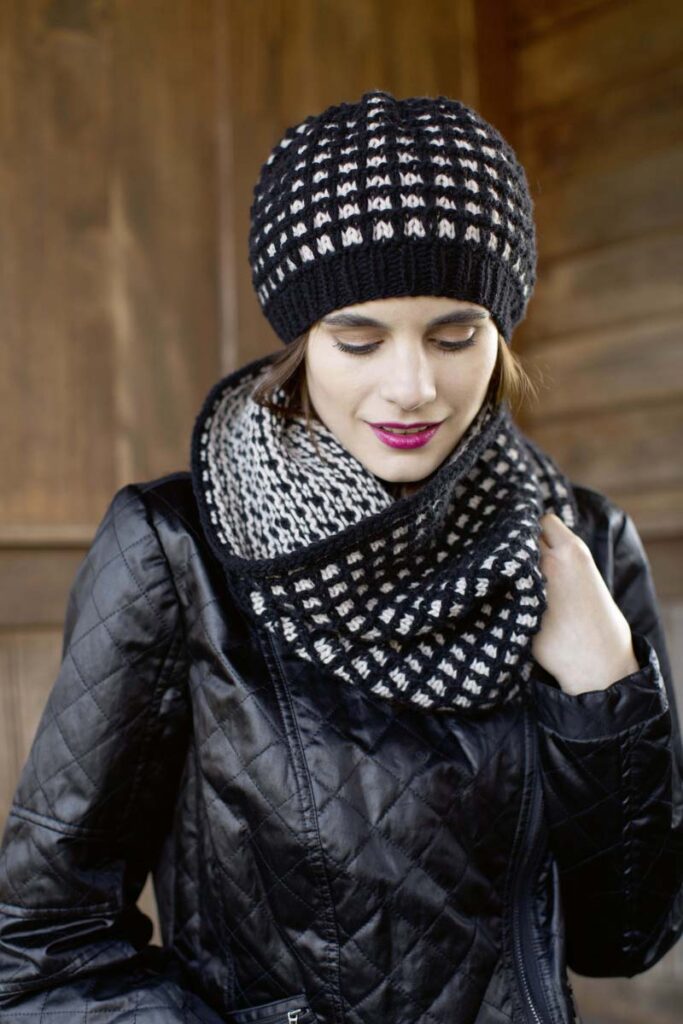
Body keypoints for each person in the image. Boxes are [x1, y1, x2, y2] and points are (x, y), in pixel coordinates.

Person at [0, 88, 681, 1024]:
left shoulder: (582, 546)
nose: (412, 386)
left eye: (456, 335)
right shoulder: (175, 550)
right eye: (358, 340)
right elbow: (41, 948)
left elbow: (625, 939)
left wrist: (601, 692)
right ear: (301, 340)